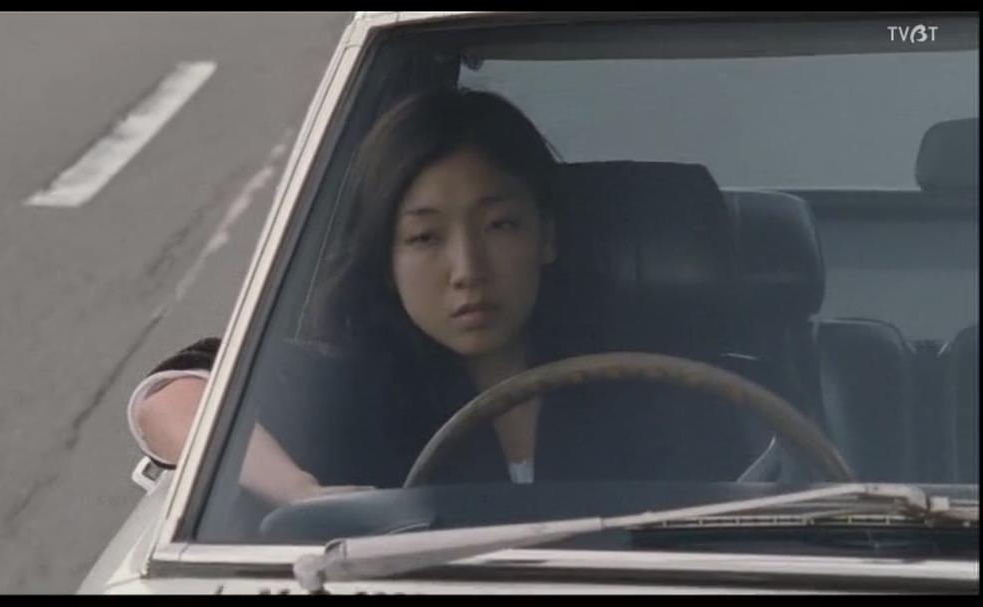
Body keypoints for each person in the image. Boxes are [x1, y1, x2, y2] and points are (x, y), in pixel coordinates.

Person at [128, 88, 751, 506]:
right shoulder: (344, 389)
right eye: (425, 237)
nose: (467, 270)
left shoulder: (658, 384)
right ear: (386, 259)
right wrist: (299, 492)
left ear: (547, 236)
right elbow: (173, 399)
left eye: (499, 225)